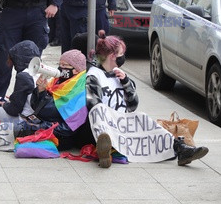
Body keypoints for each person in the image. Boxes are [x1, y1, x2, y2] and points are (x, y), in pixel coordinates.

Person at [84, 30, 208, 168]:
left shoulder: (121, 76)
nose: (123, 57)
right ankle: (106, 147)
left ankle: (180, 149)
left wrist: (126, 82)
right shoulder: (94, 76)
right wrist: (114, 120)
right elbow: (93, 104)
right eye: (121, 54)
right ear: (113, 56)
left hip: (123, 124)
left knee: (145, 120)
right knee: (99, 109)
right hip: (108, 124)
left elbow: (133, 105)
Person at [29, 49, 88, 150]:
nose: (61, 68)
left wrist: (41, 127)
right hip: (45, 127)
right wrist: (40, 91)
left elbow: (69, 127)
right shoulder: (58, 82)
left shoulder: (79, 92)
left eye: (65, 66)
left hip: (60, 137)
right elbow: (36, 108)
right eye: (60, 64)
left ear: (77, 70)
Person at [0, 40, 41, 129]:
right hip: (39, 119)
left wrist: (4, 104)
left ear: (17, 58)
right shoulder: (42, 71)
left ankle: (12, 133)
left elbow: (14, 110)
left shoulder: (24, 76)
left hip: (26, 123)